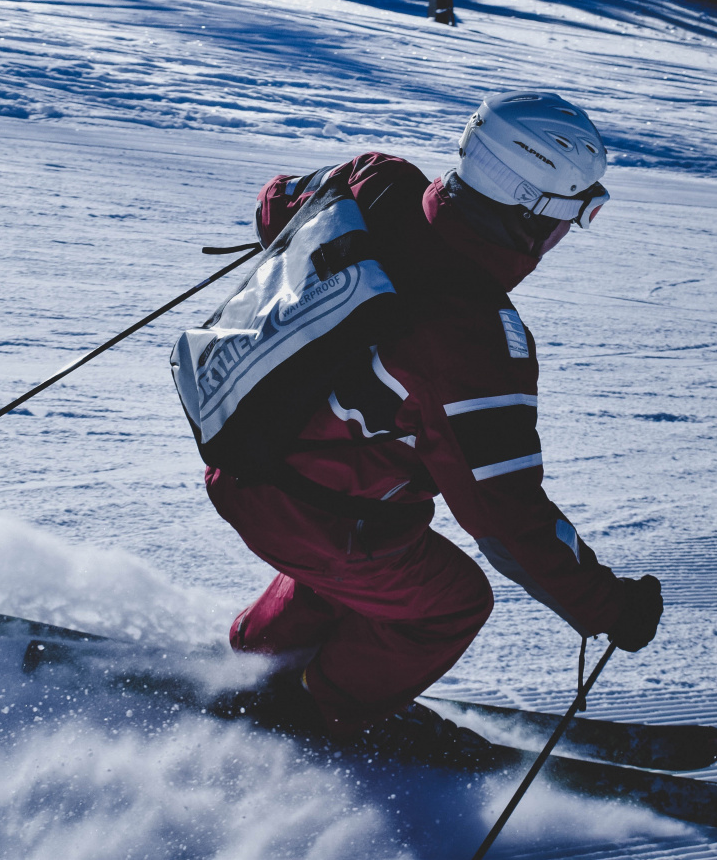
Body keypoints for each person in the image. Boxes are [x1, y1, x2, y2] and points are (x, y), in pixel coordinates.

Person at [205, 90, 663, 746]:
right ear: (531, 213)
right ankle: (310, 717)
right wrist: (610, 607)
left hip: (238, 455)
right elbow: (508, 520)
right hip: (315, 513)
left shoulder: (378, 180)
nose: (568, 235)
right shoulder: (474, 340)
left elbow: (274, 201)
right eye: (576, 214)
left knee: (373, 559)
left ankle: (258, 662)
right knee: (449, 601)